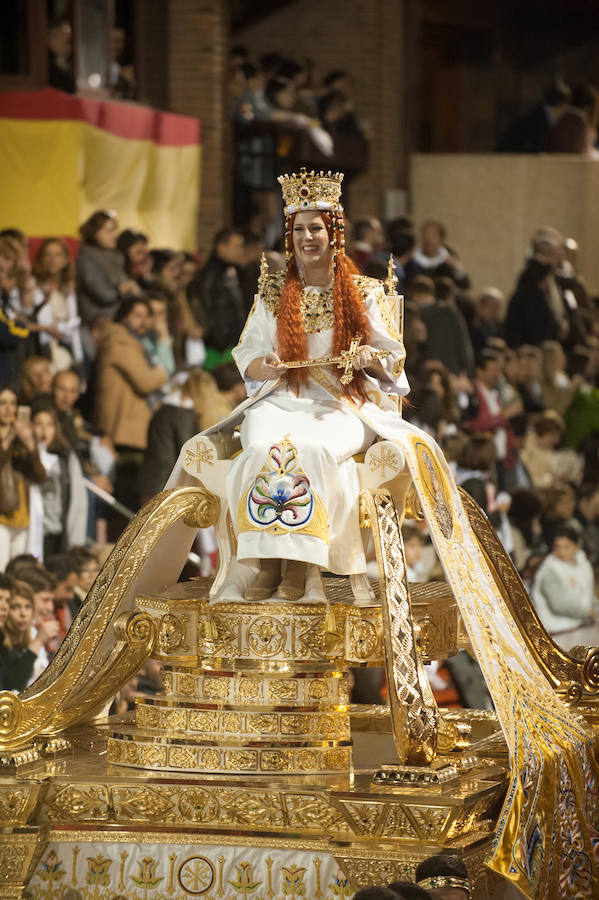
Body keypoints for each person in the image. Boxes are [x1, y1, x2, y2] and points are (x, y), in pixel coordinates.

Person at [141, 369, 231, 500]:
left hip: (158, 483)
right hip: (177, 487)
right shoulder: (192, 416)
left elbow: (163, 457)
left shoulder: (168, 411)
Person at [93, 298, 169, 451]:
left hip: (127, 426)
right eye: (137, 316)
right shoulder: (120, 342)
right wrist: (162, 372)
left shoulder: (135, 342)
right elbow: (146, 382)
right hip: (121, 428)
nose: (143, 322)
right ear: (124, 316)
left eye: (146, 316)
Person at [76, 210, 141, 355]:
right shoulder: (86, 257)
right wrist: (122, 288)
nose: (114, 235)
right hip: (99, 324)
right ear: (94, 232)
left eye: (115, 230)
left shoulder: (115, 256)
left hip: (120, 321)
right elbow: (104, 294)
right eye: (109, 231)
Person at [31, 405, 88, 557]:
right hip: (30, 532)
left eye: (49, 425)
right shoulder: (24, 456)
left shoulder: (65, 458)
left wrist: (75, 542)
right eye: (38, 424)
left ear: (56, 428)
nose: (44, 430)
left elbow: (78, 502)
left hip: (55, 536)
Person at [0, 386, 46, 570]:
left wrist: (30, 445)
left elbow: (40, 476)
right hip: (1, 516)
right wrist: (6, 442)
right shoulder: (9, 439)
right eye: (2, 403)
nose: (8, 409)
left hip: (22, 516)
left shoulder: (23, 439)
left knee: (18, 572)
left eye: (13, 403)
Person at [532, 525, 596, 645]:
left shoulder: (582, 564)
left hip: (579, 626)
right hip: (556, 632)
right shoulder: (550, 570)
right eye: (557, 547)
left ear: (576, 547)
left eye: (566, 547)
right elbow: (559, 605)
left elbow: (588, 596)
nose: (561, 552)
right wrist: (587, 613)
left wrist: (595, 609)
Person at [196, 228, 247, 370]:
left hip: (236, 343)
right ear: (221, 246)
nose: (240, 251)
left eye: (242, 246)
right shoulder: (209, 276)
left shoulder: (235, 270)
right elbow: (206, 311)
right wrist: (220, 343)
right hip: (220, 349)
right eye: (236, 246)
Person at [32, 239, 83, 371]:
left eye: (57, 254)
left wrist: (79, 360)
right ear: (40, 258)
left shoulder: (69, 289)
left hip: (66, 344)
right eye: (47, 254)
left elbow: (74, 326)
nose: (52, 260)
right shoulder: (33, 286)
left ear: (66, 259)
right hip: (41, 348)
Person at [497, 81, 572, 153]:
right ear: (560, 105)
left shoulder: (540, 114)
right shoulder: (539, 119)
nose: (564, 111)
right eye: (565, 107)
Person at [410, 221, 470, 290]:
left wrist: (454, 267)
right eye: (425, 234)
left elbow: (465, 284)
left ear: (441, 239)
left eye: (433, 234)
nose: (428, 238)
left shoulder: (447, 258)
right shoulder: (412, 257)